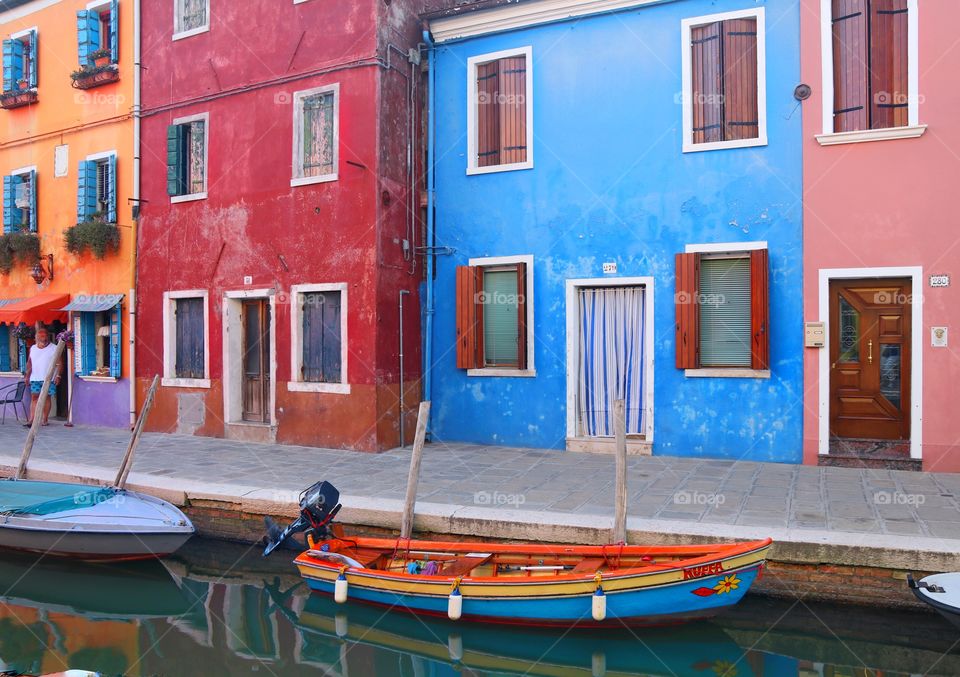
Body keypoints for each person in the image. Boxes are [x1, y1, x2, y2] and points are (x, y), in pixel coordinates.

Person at [23, 324, 62, 427]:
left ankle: (44, 419)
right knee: (34, 397)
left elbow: (60, 363)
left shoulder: (54, 348)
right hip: (35, 378)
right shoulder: (33, 348)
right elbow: (29, 363)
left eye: (44, 334)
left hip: (49, 378)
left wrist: (58, 376)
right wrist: (27, 376)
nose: (42, 336)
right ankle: (32, 419)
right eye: (40, 334)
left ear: (48, 336)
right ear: (36, 337)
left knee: (46, 398)